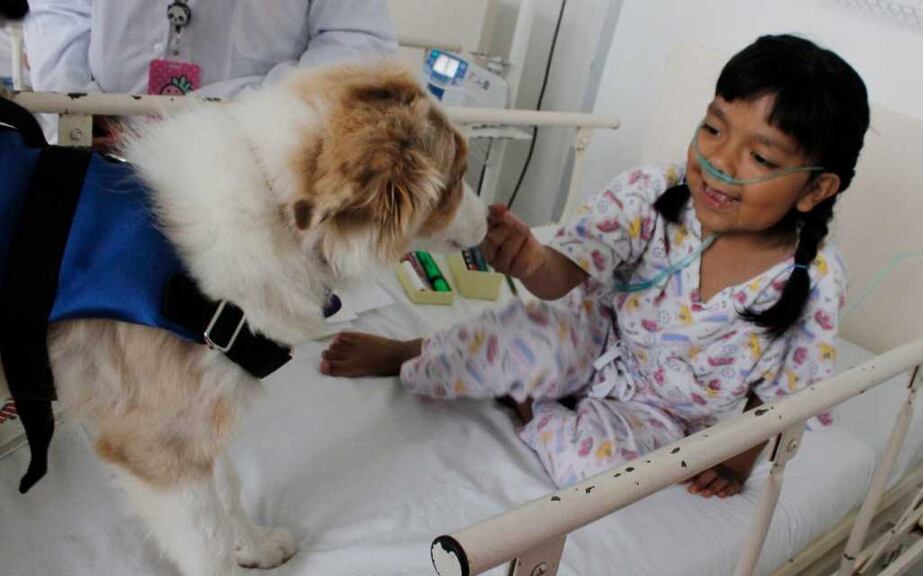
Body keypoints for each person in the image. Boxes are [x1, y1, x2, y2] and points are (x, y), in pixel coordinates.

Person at [320, 34, 871, 498]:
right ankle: (412, 354)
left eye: (760, 157)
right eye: (713, 128)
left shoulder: (813, 281)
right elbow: (562, 275)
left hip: (661, 412)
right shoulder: (654, 193)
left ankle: (533, 407)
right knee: (517, 342)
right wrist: (530, 258)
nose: (718, 162)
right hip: (589, 335)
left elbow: (778, 400)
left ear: (815, 189)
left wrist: (735, 465)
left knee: (603, 478)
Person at [22, 0, 396, 143]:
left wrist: (226, 128)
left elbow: (358, 45)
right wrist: (75, 105)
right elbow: (58, 8)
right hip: (98, 143)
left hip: (250, 162)